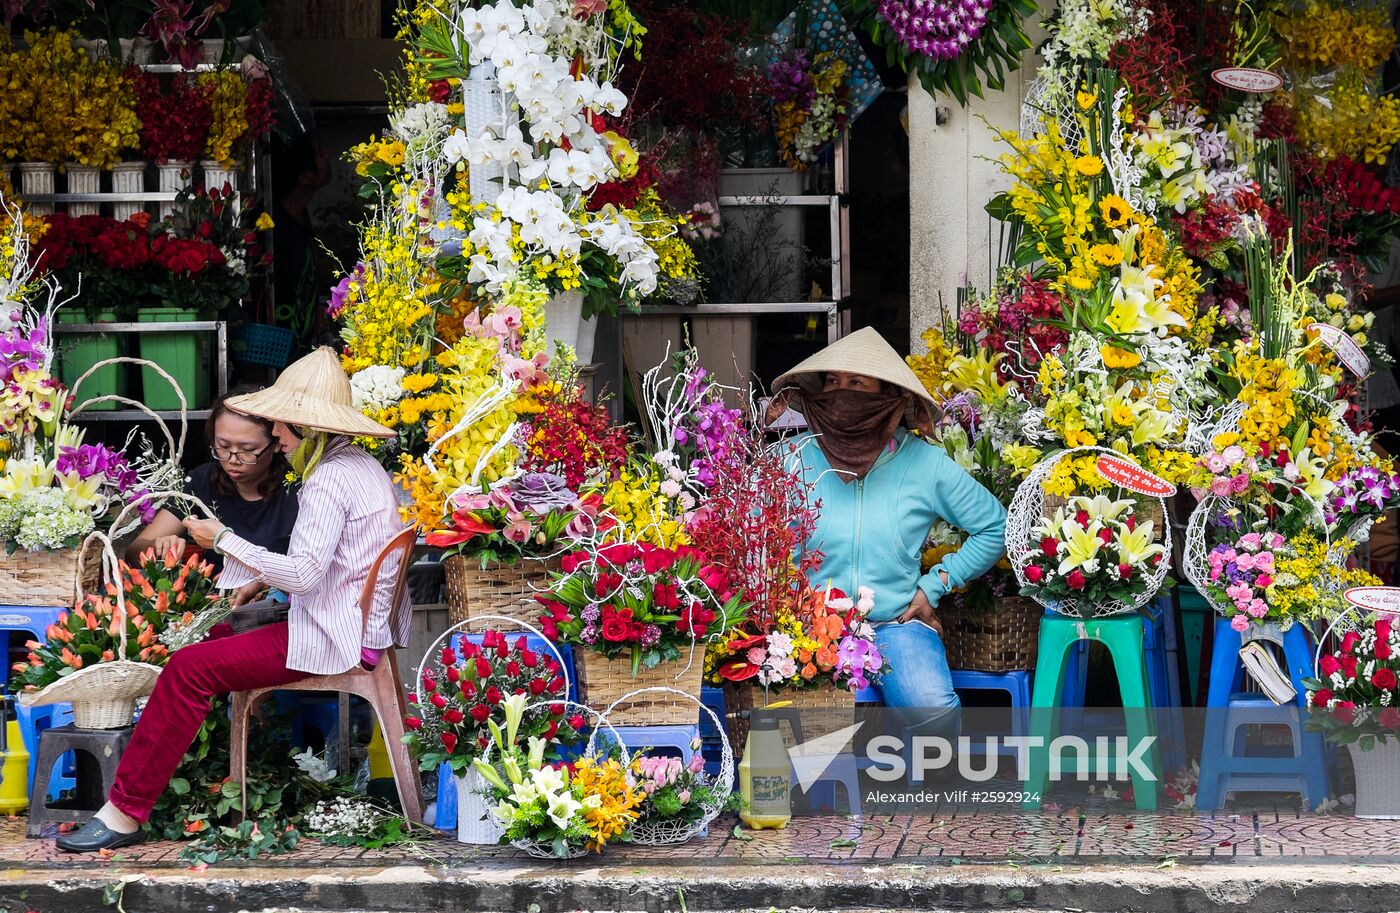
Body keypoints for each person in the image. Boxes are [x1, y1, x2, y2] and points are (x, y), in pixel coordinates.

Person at [58, 348, 409, 853]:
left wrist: (221, 538)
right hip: (346, 622)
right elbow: (327, 568)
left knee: (189, 668)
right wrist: (258, 578)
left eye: (281, 430)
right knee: (205, 638)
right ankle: (162, 782)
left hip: (333, 635)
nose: (278, 442)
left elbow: (306, 576)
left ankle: (125, 812)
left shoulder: (327, 481)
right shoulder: (356, 465)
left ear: (303, 427)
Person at [767, 327, 1007, 736]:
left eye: (856, 383)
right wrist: (785, 603)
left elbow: (995, 526)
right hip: (806, 627)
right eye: (832, 383)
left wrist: (935, 586)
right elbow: (757, 539)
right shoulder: (790, 458)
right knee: (786, 721)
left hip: (894, 624)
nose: (841, 394)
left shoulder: (924, 464)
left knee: (931, 714)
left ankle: (914, 792)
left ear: (885, 399)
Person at [126, 386, 298, 568]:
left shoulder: (297, 489)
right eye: (223, 446)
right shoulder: (203, 480)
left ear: (277, 444)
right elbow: (134, 550)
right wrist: (158, 547)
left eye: (247, 450)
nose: (232, 459)